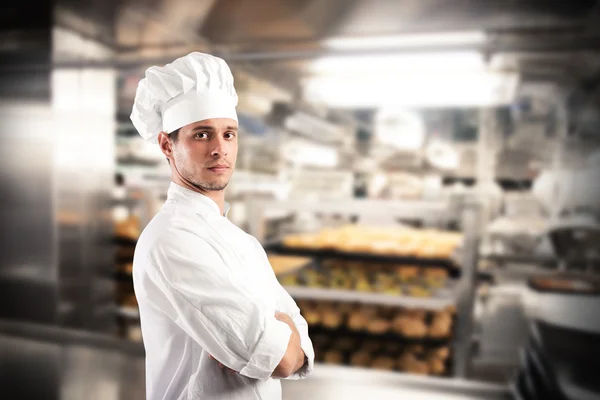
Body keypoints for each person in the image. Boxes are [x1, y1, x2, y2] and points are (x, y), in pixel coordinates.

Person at [130, 52, 314, 400]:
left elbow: (299, 339)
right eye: (202, 135)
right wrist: (275, 333)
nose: (220, 149)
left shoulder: (240, 240)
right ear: (167, 145)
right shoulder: (172, 240)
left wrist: (277, 333)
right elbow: (284, 360)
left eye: (229, 134)